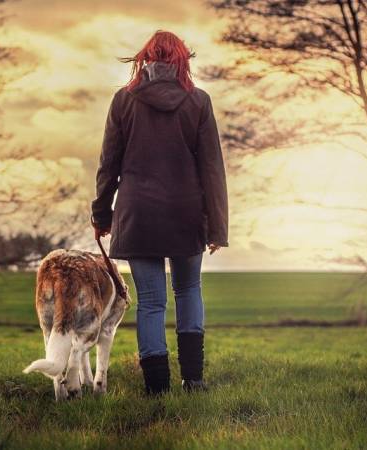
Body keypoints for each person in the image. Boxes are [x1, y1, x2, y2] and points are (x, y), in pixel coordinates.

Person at [91, 30, 229, 395]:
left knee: (151, 301)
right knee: (188, 290)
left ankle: (157, 390)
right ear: (183, 60)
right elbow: (212, 168)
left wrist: (101, 215)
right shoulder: (198, 101)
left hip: (139, 214)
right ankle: (194, 381)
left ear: (144, 59)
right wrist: (217, 227)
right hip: (187, 212)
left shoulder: (123, 101)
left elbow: (109, 164)